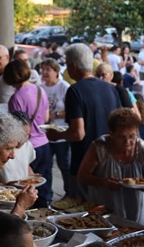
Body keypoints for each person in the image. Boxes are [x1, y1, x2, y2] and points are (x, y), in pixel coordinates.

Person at [50, 44, 123, 199]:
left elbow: (78, 133)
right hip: (108, 160)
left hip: (84, 163)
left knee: (82, 214)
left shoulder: (74, 91)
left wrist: (56, 135)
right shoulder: (110, 88)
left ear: (73, 66)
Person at [77, 108, 144, 225]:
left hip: (134, 208)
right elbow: (82, 176)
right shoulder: (100, 148)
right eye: (122, 137)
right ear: (111, 134)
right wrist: (104, 182)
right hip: (106, 208)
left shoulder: (142, 148)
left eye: (132, 136)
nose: (128, 141)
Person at [4, 59, 52, 206]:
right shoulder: (39, 90)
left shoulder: (16, 98)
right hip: (44, 143)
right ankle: (45, 212)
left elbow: (16, 128)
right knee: (43, 185)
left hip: (29, 146)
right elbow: (46, 117)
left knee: (28, 186)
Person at [41, 58, 72, 197]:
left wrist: (57, 114)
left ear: (56, 71)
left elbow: (72, 110)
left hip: (61, 132)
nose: (45, 72)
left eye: (48, 69)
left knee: (64, 165)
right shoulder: (41, 88)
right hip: (45, 132)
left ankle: (69, 192)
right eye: (43, 69)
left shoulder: (64, 86)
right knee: (46, 166)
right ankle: (47, 194)